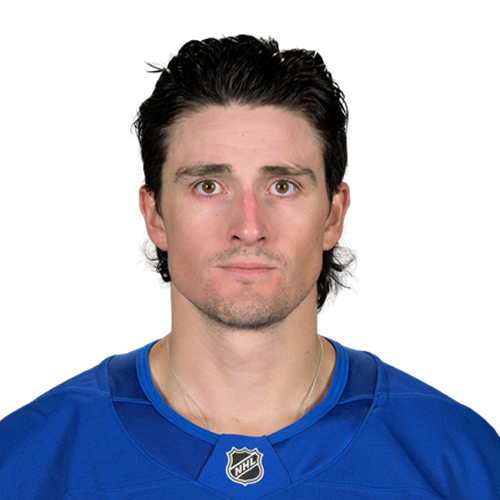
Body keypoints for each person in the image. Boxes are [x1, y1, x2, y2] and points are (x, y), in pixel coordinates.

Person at [1, 34, 498, 500]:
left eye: (282, 186)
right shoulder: (26, 459)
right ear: (154, 216)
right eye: (208, 186)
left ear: (334, 216)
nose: (248, 227)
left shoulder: (464, 457)